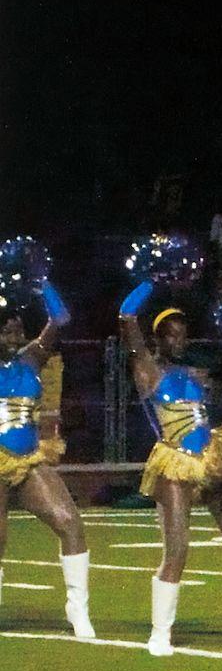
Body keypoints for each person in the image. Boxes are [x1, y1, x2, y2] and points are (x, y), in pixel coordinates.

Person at [121, 252, 222, 654]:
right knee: (178, 547)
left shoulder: (194, 373)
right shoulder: (147, 369)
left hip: (210, 456)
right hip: (173, 460)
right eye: (170, 333)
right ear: (156, 338)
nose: (179, 339)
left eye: (183, 333)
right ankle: (160, 631)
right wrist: (155, 278)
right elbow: (126, 318)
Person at [0, 256, 94, 639]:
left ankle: (78, 609)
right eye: (7, 331)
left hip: (26, 457)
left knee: (70, 522)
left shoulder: (30, 360)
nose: (15, 336)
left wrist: (40, 282)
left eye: (18, 330)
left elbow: (61, 319)